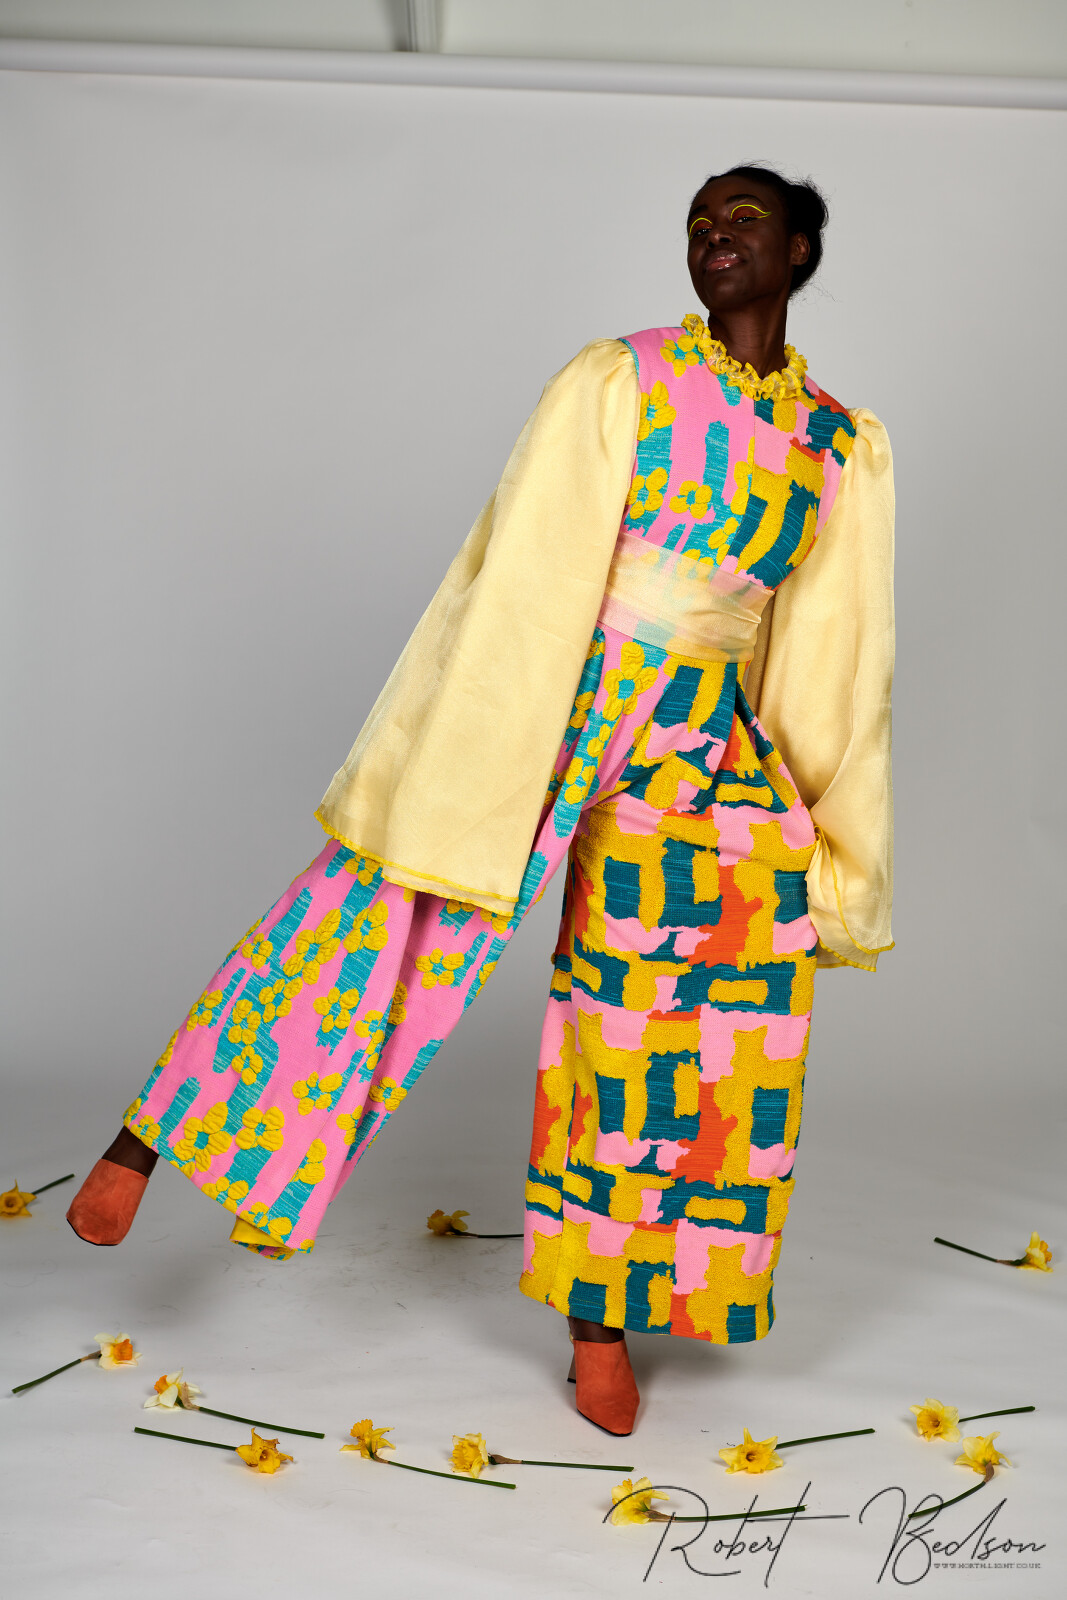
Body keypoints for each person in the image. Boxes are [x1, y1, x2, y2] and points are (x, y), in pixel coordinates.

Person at [67, 164, 894, 1437]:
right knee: (379, 913)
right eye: (695, 222)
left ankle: (601, 1324)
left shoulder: (837, 443)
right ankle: (148, 1140)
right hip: (562, 692)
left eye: (742, 220)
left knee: (675, 1025)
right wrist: (486, 740)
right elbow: (522, 565)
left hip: (702, 746)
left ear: (798, 251)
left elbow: (831, 649)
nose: (711, 237)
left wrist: (827, 835)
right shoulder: (621, 379)